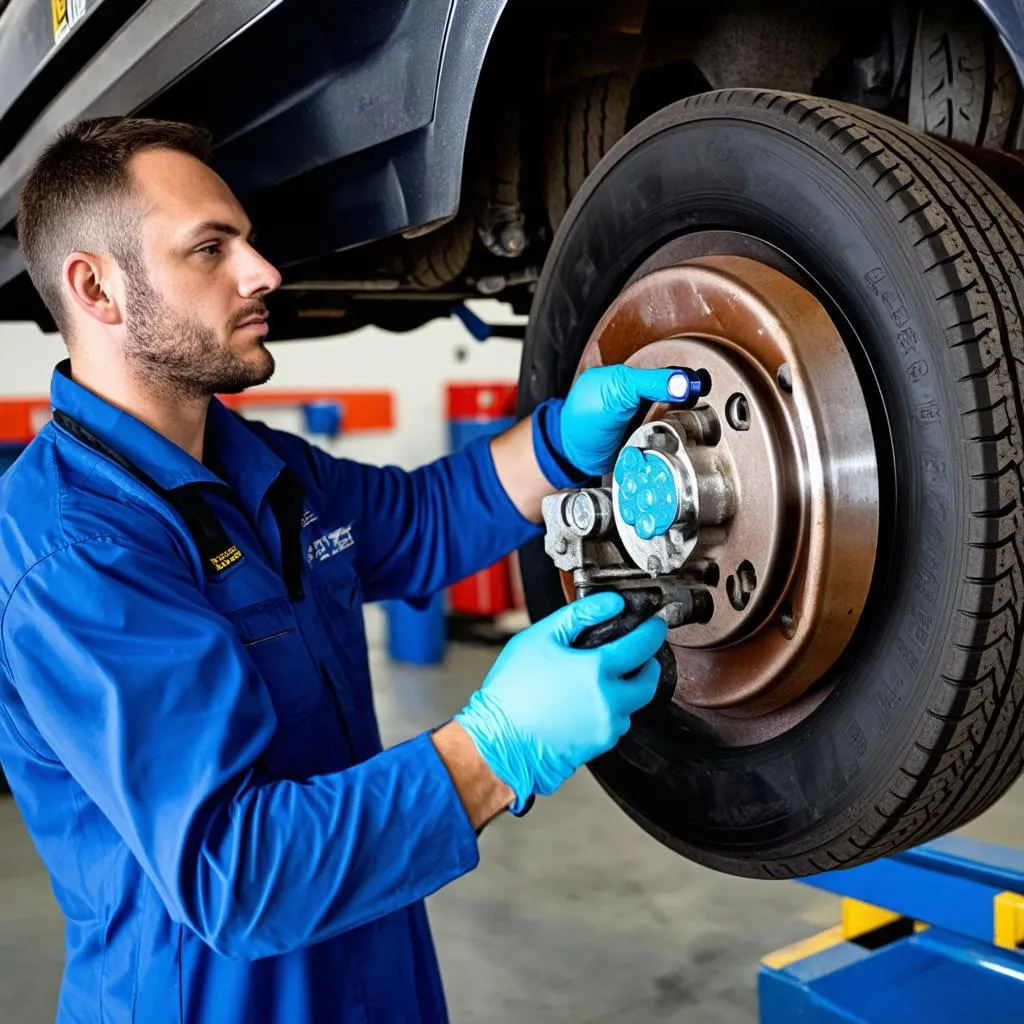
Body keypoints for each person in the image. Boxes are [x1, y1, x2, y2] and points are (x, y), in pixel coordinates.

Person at [0, 117, 686, 1023]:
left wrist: (558, 444)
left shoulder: (260, 466)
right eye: (211, 248)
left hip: (372, 966)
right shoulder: (73, 550)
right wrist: (493, 748)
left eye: (246, 238)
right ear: (97, 288)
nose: (264, 272)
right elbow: (235, 876)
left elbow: (423, 521)